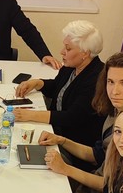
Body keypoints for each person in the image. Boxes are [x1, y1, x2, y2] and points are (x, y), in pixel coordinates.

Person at [14, 20, 105, 168]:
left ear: (85, 53)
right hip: (56, 132)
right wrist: (37, 83)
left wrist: (29, 115)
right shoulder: (72, 66)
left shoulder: (97, 79)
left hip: (74, 147)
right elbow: (58, 87)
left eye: (68, 49)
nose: (62, 52)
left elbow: (71, 117)